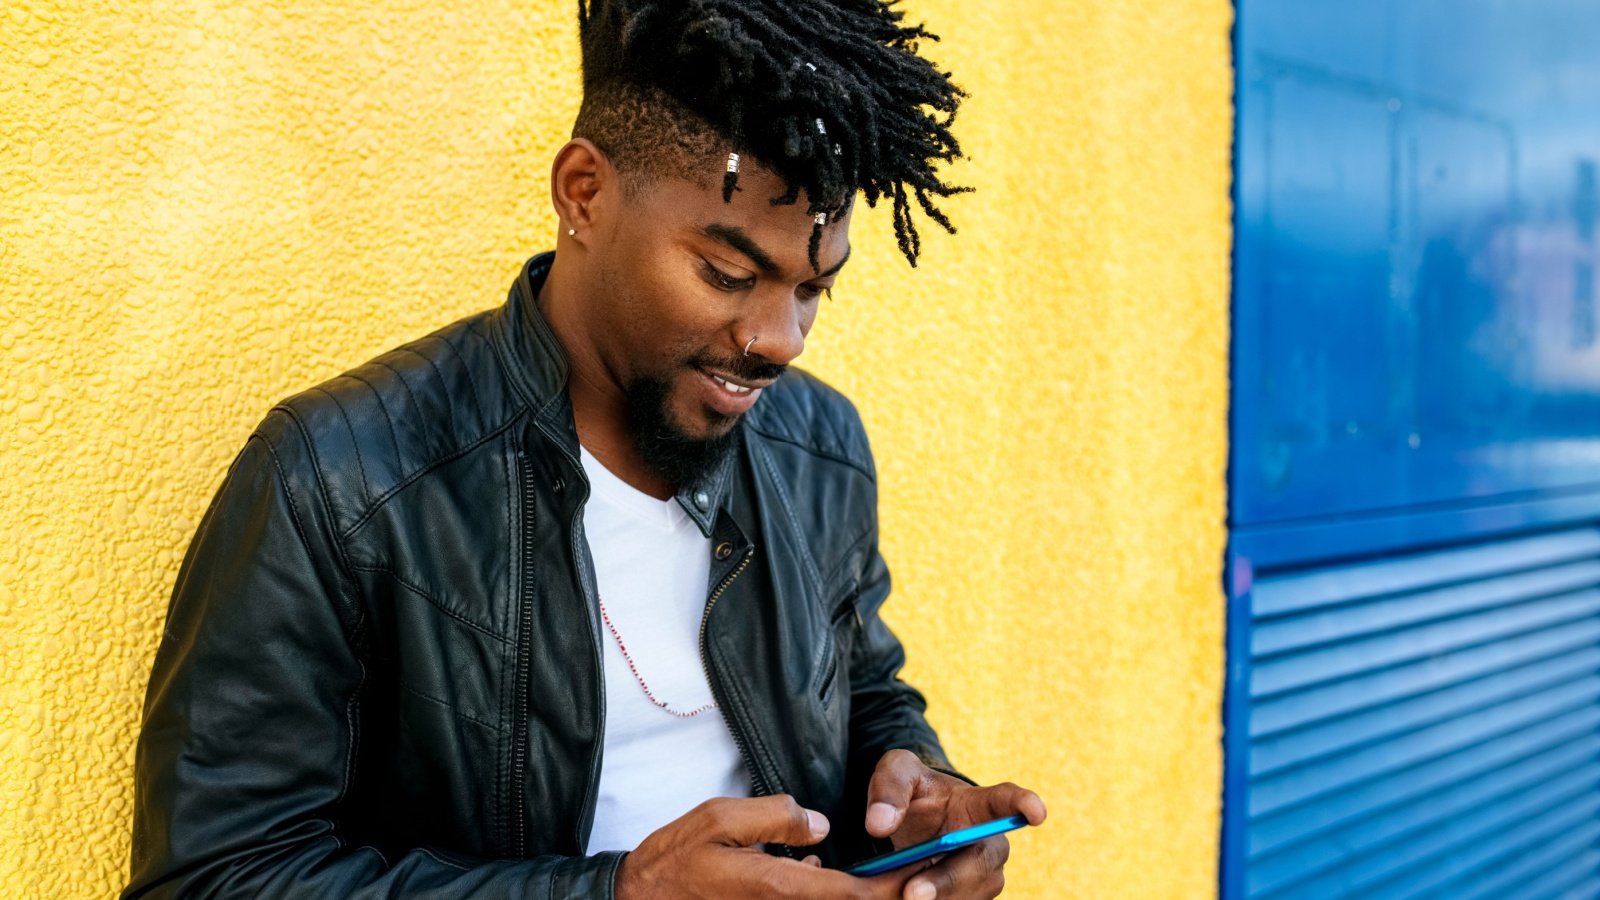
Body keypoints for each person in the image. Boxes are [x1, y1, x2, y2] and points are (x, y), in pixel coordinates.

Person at [125, 1, 1046, 897]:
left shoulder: (819, 447)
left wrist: (915, 787)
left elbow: (862, 683)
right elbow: (216, 874)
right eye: (729, 274)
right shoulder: (340, 477)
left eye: (814, 289)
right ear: (585, 193)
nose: (781, 338)